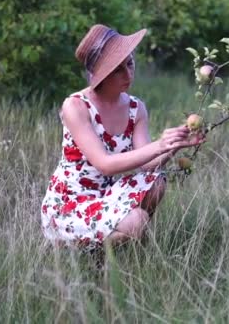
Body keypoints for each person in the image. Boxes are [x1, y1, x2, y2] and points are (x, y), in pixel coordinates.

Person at [40, 24, 204, 252]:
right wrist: (160, 144)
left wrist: (174, 144)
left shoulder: (136, 108)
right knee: (137, 221)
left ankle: (112, 245)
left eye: (130, 63)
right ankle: (85, 252)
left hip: (107, 195)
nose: (128, 74)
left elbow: (148, 164)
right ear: (101, 73)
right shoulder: (76, 106)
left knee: (156, 182)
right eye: (117, 69)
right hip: (72, 203)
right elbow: (105, 165)